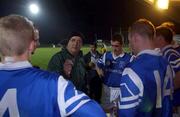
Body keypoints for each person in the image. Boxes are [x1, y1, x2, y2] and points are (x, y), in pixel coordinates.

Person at [0, 14, 106, 117]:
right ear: (32, 46)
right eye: (73, 40)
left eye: (79, 41)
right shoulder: (53, 83)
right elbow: (96, 113)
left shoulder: (80, 60)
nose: (39, 44)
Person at [118, 19, 174, 117]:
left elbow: (126, 114)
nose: (130, 45)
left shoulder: (132, 69)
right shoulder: (166, 64)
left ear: (135, 38)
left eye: (130, 41)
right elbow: (168, 104)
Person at [97, 34, 131, 115]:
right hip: (106, 89)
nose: (114, 48)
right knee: (105, 113)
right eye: (112, 46)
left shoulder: (128, 58)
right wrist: (99, 71)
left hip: (119, 90)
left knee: (117, 113)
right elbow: (98, 65)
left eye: (116, 46)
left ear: (122, 45)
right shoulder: (106, 55)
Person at [154, 25, 180, 115]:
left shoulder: (170, 53)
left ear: (160, 39)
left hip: (175, 104)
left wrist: (169, 90)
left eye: (154, 37)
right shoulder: (165, 52)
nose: (152, 40)